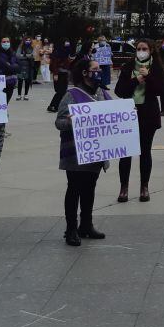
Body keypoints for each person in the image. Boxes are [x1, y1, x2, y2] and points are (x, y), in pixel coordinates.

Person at [55, 58, 111, 246]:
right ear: (85, 73)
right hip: (76, 153)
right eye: (95, 69)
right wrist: (69, 122)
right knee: (74, 189)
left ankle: (86, 225)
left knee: (90, 187)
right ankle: (71, 228)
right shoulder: (72, 95)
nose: (99, 72)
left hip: (96, 151)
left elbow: (112, 114)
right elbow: (59, 122)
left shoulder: (102, 93)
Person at [114, 39, 164, 203]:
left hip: (148, 114)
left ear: (150, 51)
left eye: (144, 49)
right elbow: (119, 90)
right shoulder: (128, 67)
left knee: (145, 151)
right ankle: (124, 188)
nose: (141, 51)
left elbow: (159, 89)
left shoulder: (156, 67)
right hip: (129, 114)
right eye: (139, 48)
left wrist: (148, 77)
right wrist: (136, 80)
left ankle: (144, 187)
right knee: (126, 153)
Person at [0, 36, 20, 104]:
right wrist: (11, 66)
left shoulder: (12, 53)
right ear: (0, 43)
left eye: (8, 41)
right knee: (0, 104)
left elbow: (18, 67)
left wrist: (11, 66)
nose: (6, 43)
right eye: (4, 42)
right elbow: (6, 67)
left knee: (6, 103)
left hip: (11, 83)